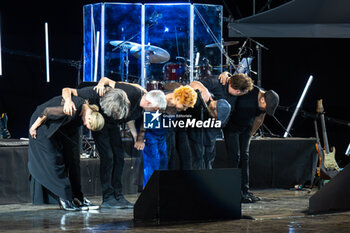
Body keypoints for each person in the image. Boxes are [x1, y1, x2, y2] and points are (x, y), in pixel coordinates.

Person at [62, 78, 167, 208]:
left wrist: (138, 138)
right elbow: (71, 90)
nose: (155, 112)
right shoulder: (130, 93)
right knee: (108, 157)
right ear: (148, 102)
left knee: (119, 157)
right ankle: (108, 197)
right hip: (101, 120)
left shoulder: (146, 108)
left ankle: (118, 195)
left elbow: (144, 123)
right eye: (155, 109)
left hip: (113, 123)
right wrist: (69, 100)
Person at [28, 95, 105, 211]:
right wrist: (34, 127)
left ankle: (78, 197)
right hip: (42, 123)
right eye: (88, 125)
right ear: (89, 118)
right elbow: (47, 111)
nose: (86, 126)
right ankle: (65, 198)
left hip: (60, 126)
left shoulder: (89, 111)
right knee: (54, 159)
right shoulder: (72, 109)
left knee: (73, 160)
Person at [217, 72, 280, 203]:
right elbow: (237, 81)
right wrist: (225, 74)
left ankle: (245, 191)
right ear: (262, 99)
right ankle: (233, 191)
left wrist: (250, 135)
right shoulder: (249, 91)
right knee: (235, 157)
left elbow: (259, 119)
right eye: (265, 107)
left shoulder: (263, 104)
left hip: (246, 129)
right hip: (232, 128)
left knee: (244, 157)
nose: (264, 109)